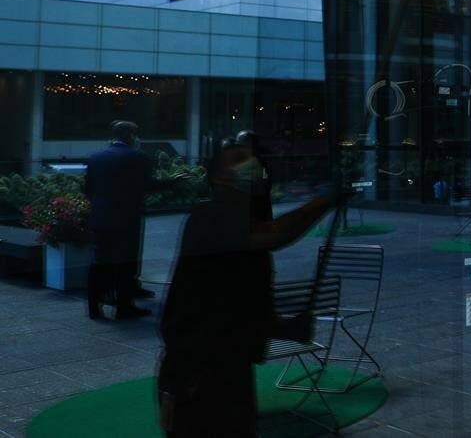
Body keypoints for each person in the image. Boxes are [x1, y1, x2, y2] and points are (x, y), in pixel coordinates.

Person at [157, 138, 333, 437]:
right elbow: (276, 234)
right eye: (239, 158)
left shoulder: (236, 224)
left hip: (229, 367)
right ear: (219, 177)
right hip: (197, 370)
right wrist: (323, 200)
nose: (252, 165)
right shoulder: (209, 217)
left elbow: (235, 307)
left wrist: (284, 328)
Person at [85, 120, 184, 320]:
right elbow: (147, 184)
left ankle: (94, 307)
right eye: (136, 134)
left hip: (100, 218)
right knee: (125, 262)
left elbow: (88, 190)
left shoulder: (96, 158)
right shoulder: (137, 157)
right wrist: (173, 182)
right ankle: (124, 307)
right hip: (126, 219)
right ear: (130, 135)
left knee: (99, 262)